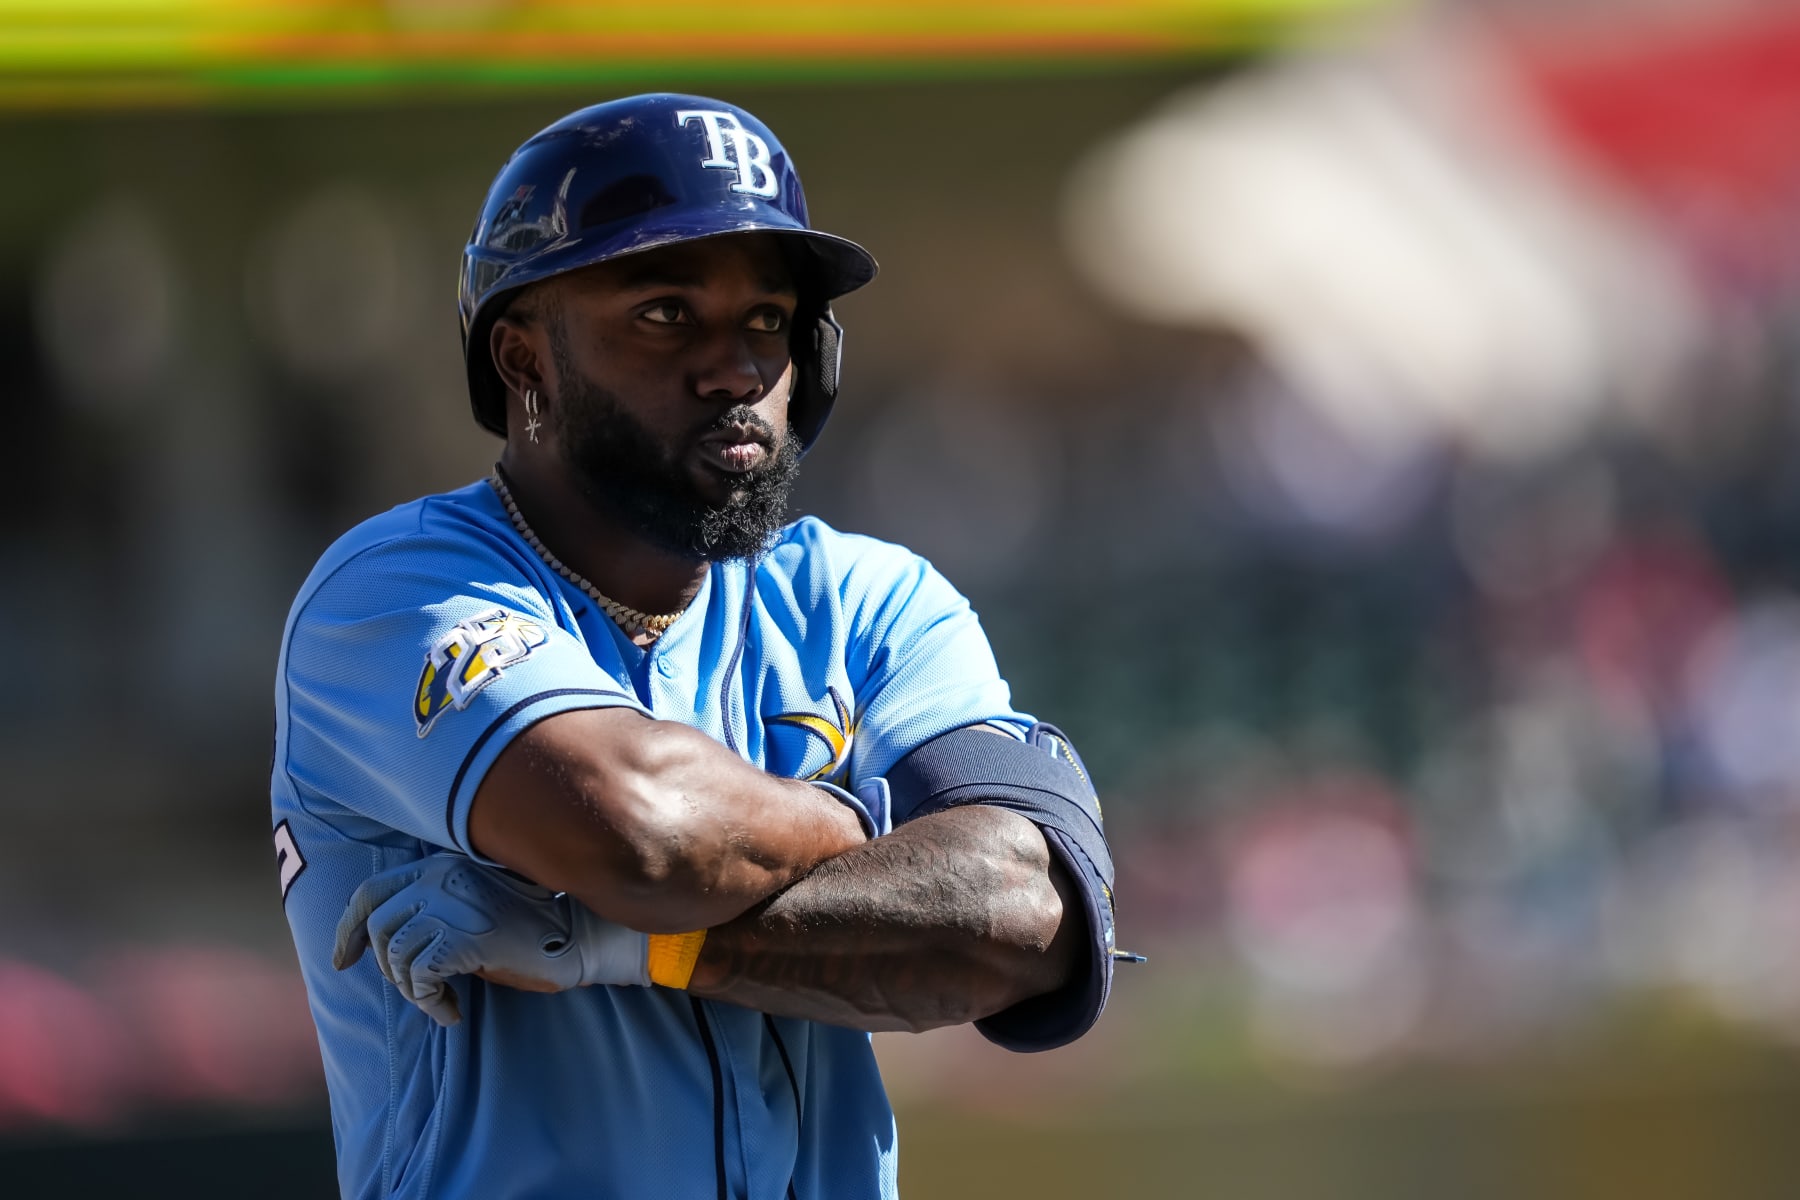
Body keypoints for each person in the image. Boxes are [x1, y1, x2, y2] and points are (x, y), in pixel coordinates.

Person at [271, 93, 1128, 1200]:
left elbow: (1025, 925)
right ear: (525, 360)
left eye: (766, 319)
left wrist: (622, 945)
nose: (734, 370)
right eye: (666, 314)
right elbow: (640, 832)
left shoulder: (868, 598)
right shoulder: (394, 590)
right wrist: (874, 829)